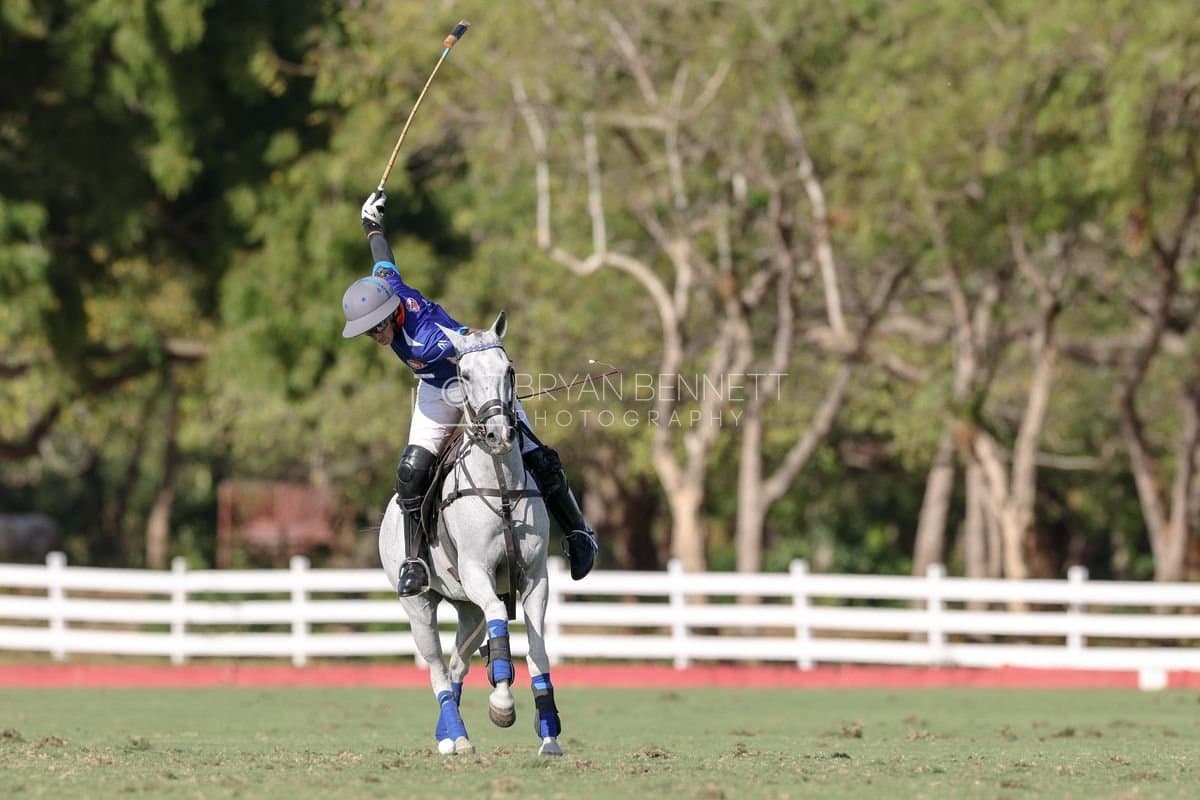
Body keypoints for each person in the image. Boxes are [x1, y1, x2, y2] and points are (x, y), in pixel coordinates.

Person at [341, 190, 598, 597]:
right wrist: (371, 224)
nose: (376, 336)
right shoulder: (388, 286)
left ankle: (579, 534)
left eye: (377, 327)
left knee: (541, 459)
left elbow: (476, 341)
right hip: (435, 389)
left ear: (391, 313)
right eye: (369, 332)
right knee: (411, 471)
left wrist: (492, 391)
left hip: (473, 382)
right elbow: (383, 258)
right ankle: (414, 560)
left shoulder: (428, 338)